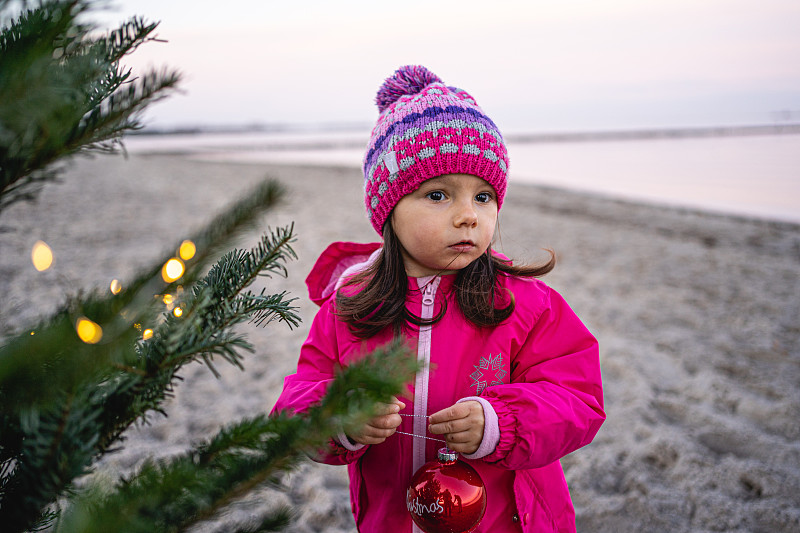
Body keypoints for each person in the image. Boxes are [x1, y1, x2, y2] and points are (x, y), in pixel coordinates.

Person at [272, 65, 605, 532]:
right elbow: (297, 401)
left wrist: (500, 423)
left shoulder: (526, 304)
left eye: (484, 196)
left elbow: (578, 397)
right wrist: (341, 418)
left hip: (507, 522)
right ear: (389, 209)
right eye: (438, 195)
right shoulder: (350, 307)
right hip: (394, 519)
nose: (468, 216)